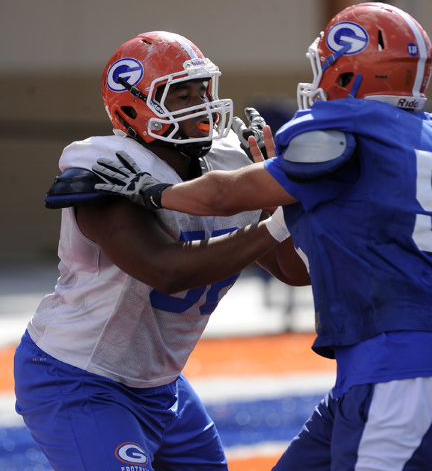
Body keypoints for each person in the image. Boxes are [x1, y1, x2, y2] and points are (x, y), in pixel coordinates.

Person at [93, 3, 432, 470]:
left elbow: (221, 196)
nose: (319, 78)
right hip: (376, 366)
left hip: (399, 367)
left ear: (353, 73)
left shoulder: (340, 132)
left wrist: (155, 192)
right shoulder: (422, 136)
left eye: (326, 65)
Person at [13, 31, 310, 471]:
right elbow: (165, 271)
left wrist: (279, 205)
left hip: (159, 383)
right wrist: (275, 224)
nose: (200, 104)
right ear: (133, 107)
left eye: (201, 89)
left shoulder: (228, 161)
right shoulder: (106, 169)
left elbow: (292, 271)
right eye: (179, 95)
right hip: (77, 375)